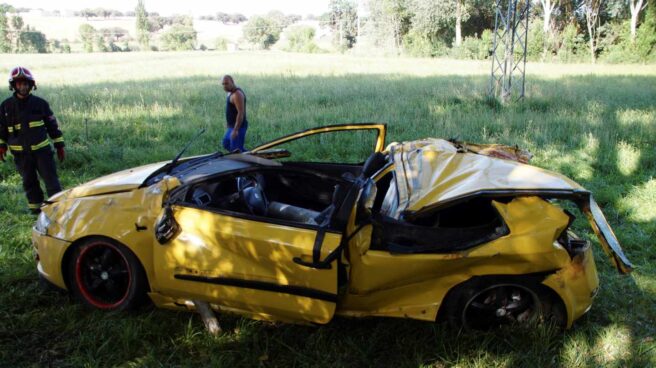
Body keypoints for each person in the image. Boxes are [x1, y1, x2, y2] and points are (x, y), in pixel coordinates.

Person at [0, 66, 65, 214]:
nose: (22, 86)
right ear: (14, 86)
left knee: (51, 182)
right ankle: (36, 212)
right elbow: (2, 128)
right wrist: (1, 145)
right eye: (19, 84)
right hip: (21, 155)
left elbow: (52, 126)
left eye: (25, 83)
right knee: (29, 183)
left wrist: (59, 145)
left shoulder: (40, 104)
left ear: (31, 85)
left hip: (42, 152)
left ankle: (59, 210)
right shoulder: (5, 106)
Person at [221, 75, 248, 152]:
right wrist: (228, 123)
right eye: (223, 84)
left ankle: (250, 159)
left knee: (235, 150)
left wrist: (236, 130)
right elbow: (231, 110)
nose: (224, 86)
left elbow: (240, 113)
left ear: (232, 82)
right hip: (231, 126)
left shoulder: (237, 94)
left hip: (238, 127)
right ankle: (247, 154)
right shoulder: (230, 92)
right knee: (226, 143)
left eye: (226, 83)